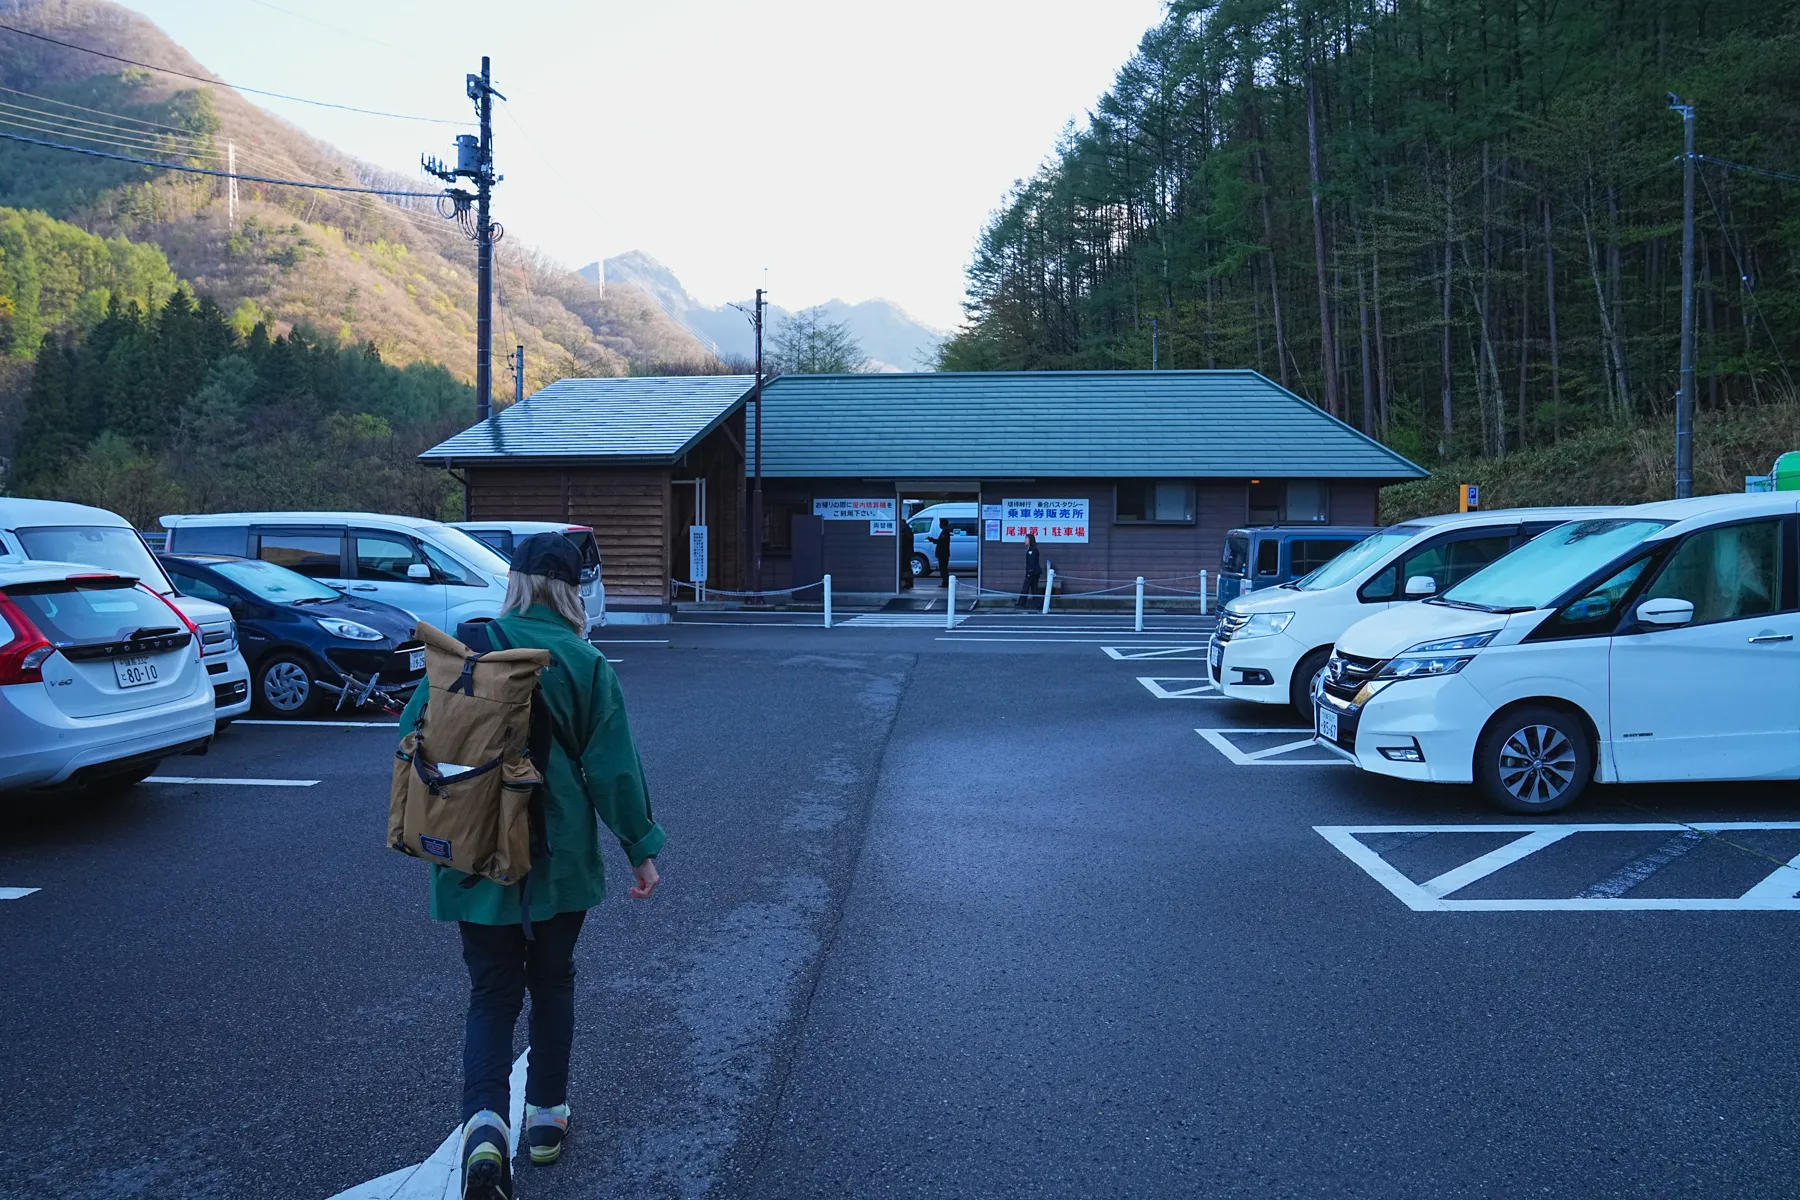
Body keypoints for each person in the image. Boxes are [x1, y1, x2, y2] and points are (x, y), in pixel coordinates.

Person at [397, 532, 666, 1200]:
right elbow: (613, 770)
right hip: (558, 856)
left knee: (491, 991)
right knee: (552, 982)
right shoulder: (583, 661)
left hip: (473, 848)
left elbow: (413, 737)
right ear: (575, 590)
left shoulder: (465, 649)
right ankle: (545, 1119)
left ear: (515, 583)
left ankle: (484, 1125)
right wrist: (641, 848)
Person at [1018, 532, 1042, 608]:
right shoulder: (1033, 549)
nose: (1025, 540)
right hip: (1035, 572)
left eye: (1026, 539)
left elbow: (1032, 562)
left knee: (1026, 588)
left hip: (1032, 573)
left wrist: (1029, 572)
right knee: (1034, 589)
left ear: (1030, 540)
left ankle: (1021, 603)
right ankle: (1038, 604)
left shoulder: (1032, 550)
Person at [898, 515, 915, 590]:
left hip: (905, 553)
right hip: (907, 553)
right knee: (907, 568)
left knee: (905, 568)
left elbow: (904, 542)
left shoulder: (906, 533)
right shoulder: (909, 531)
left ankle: (906, 582)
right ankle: (908, 582)